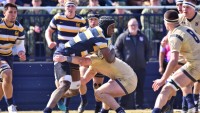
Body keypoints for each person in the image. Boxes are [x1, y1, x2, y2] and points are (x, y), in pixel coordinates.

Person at [152, 10, 200, 113]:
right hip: (195, 63)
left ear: (166, 22)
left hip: (196, 65)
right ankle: (190, 107)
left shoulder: (175, 35)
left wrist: (162, 79)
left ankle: (158, 110)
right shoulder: (186, 28)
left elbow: (173, 60)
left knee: (166, 88)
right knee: (174, 84)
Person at [43, 0, 86, 113]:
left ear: (76, 7)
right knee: (65, 84)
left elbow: (85, 38)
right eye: (68, 6)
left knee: (75, 90)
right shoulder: (58, 17)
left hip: (74, 57)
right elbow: (49, 30)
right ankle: (47, 110)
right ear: (64, 7)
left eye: (72, 6)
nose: (70, 8)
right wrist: (49, 41)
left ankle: (59, 97)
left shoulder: (81, 21)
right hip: (60, 54)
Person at [114, 18, 150, 109]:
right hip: (127, 68)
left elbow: (149, 49)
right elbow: (116, 48)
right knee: (124, 87)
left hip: (140, 67)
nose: (133, 27)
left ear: (138, 26)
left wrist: (145, 59)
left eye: (135, 25)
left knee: (140, 88)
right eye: (131, 25)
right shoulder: (122, 37)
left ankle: (139, 106)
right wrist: (122, 60)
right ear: (128, 26)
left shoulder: (143, 37)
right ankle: (122, 106)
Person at [0, 3, 26, 113]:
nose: (13, 15)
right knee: (8, 73)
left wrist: (21, 52)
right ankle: (11, 106)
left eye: (15, 12)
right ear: (4, 13)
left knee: (3, 84)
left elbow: (20, 45)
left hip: (8, 56)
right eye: (10, 12)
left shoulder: (19, 28)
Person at [77, 11, 104, 113]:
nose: (93, 22)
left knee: (97, 86)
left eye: (95, 20)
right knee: (81, 80)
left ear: (99, 21)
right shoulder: (82, 31)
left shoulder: (103, 32)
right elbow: (78, 45)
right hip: (85, 59)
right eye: (91, 20)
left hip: (98, 61)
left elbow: (105, 48)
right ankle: (83, 100)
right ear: (88, 21)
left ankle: (97, 106)